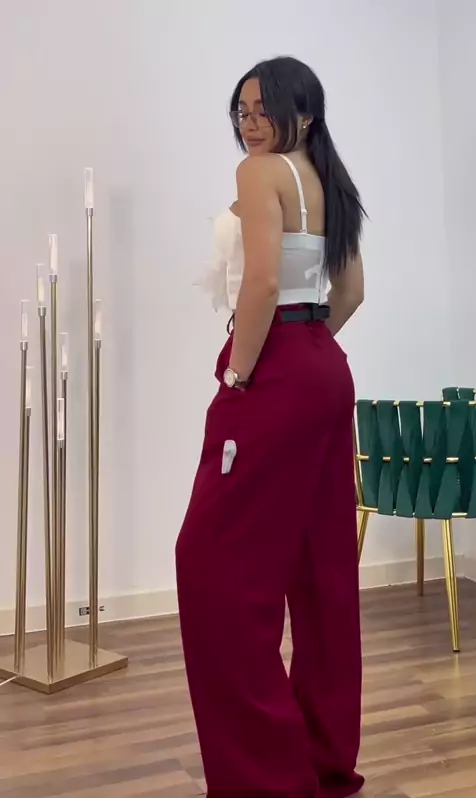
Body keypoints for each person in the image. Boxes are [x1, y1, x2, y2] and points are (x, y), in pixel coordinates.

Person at [176, 55, 366, 798]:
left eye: (264, 110)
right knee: (322, 574)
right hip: (323, 367)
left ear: (305, 113)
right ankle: (323, 762)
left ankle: (266, 779)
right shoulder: (331, 181)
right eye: (242, 111)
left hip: (275, 369)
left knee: (212, 569)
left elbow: (259, 282)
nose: (250, 124)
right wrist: (309, 349)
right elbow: (351, 291)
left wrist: (241, 374)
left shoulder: (260, 175)